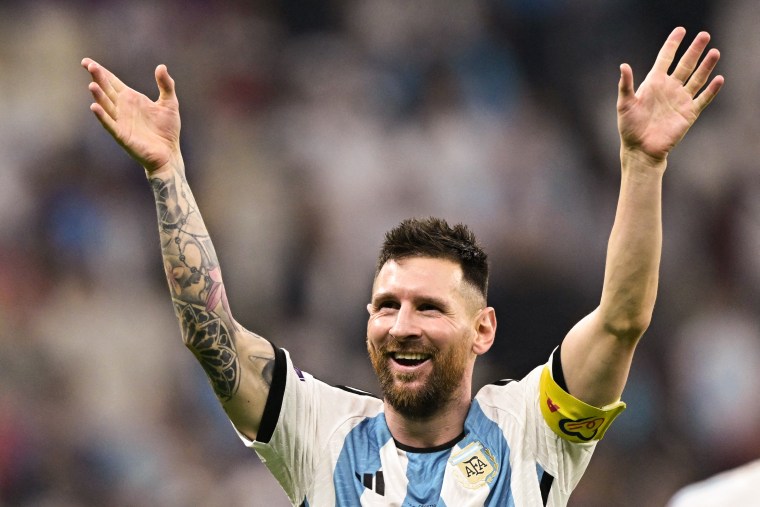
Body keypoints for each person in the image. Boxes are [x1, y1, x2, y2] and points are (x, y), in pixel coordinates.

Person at [82, 26, 723, 506]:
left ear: (483, 330)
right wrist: (167, 172)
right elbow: (211, 335)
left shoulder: (535, 430)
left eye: (429, 307)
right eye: (387, 305)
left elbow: (619, 322)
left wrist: (644, 165)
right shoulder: (318, 430)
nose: (401, 324)